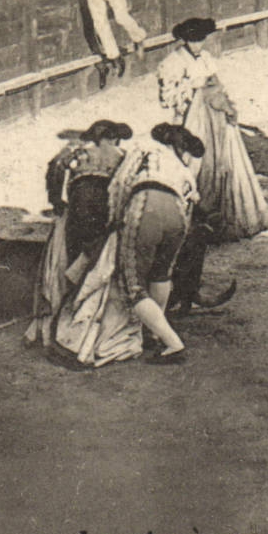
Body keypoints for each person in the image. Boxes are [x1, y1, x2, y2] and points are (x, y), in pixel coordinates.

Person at [157, 17, 268, 241]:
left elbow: (218, 85)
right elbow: (167, 98)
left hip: (215, 118)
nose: (197, 45)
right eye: (192, 40)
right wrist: (193, 90)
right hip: (190, 120)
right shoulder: (172, 62)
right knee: (193, 163)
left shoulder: (207, 58)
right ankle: (188, 222)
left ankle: (217, 218)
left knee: (220, 162)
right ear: (184, 40)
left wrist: (224, 102)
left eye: (200, 40)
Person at [109, 122, 207, 365]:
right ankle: (154, 333)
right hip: (177, 215)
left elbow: (120, 184)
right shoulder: (182, 166)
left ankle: (173, 343)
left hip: (146, 206)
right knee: (161, 274)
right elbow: (191, 198)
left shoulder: (144, 149)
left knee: (132, 284)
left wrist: (115, 217)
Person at [31, 119, 133, 349]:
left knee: (74, 252)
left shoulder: (77, 150)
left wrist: (56, 201)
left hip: (78, 205)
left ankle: (67, 302)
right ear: (114, 137)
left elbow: (55, 166)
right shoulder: (122, 154)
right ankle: (87, 307)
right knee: (98, 253)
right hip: (102, 206)